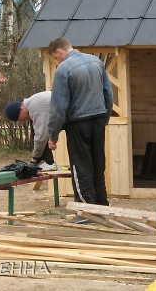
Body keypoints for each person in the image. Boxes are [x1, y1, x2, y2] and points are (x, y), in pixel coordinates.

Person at [47, 37, 113, 211]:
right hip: (98, 119)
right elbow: (108, 94)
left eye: (56, 57)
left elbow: (58, 106)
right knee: (98, 163)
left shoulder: (64, 69)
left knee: (81, 166)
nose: (57, 60)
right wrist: (104, 119)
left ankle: (86, 209)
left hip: (78, 123)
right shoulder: (96, 61)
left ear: (59, 51)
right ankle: (102, 204)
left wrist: (53, 135)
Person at [4, 91, 58, 171]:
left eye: (19, 119)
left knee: (39, 133)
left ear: (21, 109)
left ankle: (49, 163)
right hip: (72, 112)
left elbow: (41, 137)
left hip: (76, 114)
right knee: (35, 127)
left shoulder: (34, 107)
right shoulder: (32, 102)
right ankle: (46, 161)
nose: (22, 121)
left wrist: (34, 158)